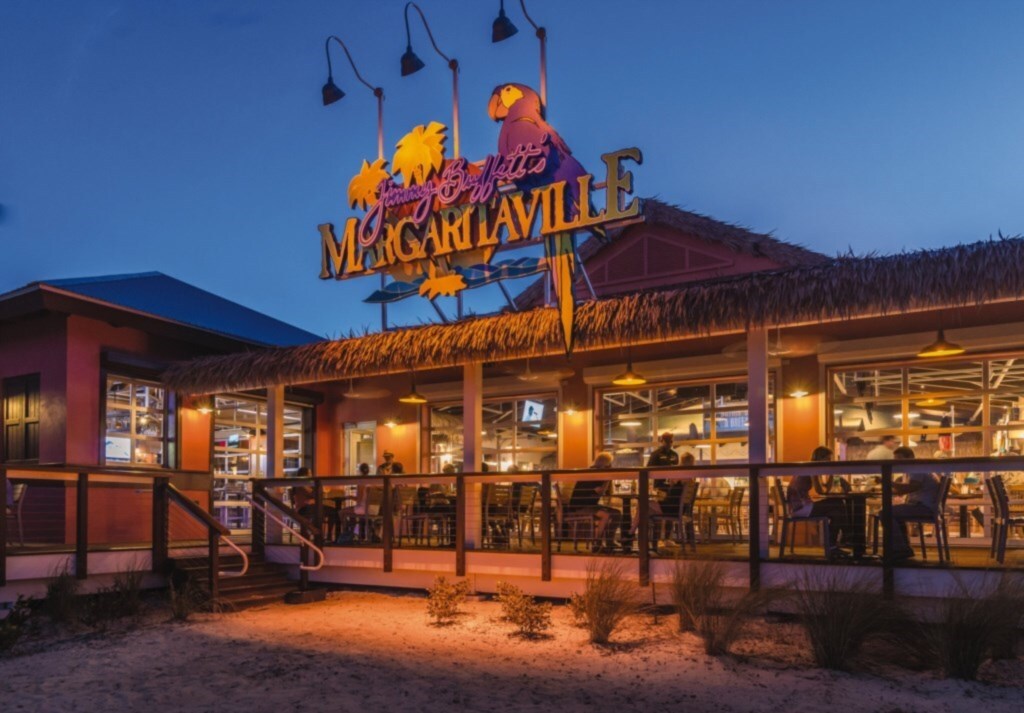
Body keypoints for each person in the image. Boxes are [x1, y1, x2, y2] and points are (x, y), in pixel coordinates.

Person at [785, 446, 851, 558]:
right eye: (828, 459)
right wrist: (832, 474)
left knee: (836, 512)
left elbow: (824, 490)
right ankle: (846, 536)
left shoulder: (810, 467)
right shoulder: (812, 468)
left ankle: (834, 546)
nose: (830, 462)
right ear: (821, 458)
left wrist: (832, 476)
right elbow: (821, 491)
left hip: (798, 507)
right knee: (837, 502)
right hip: (801, 508)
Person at [889, 447, 942, 560]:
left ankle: (900, 550)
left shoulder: (916, 468)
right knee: (893, 514)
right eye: (895, 460)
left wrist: (890, 483)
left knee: (886, 513)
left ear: (910, 457)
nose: (897, 462)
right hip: (927, 506)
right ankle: (902, 549)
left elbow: (912, 487)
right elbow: (909, 488)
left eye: (899, 459)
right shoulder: (918, 468)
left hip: (924, 507)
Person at [567, 452, 621, 552]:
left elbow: (605, 492)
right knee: (606, 515)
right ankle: (597, 543)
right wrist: (608, 478)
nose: (610, 466)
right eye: (609, 464)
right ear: (605, 464)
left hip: (590, 505)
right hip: (580, 507)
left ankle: (609, 541)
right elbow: (600, 491)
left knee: (617, 513)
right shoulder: (593, 474)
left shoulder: (598, 473)